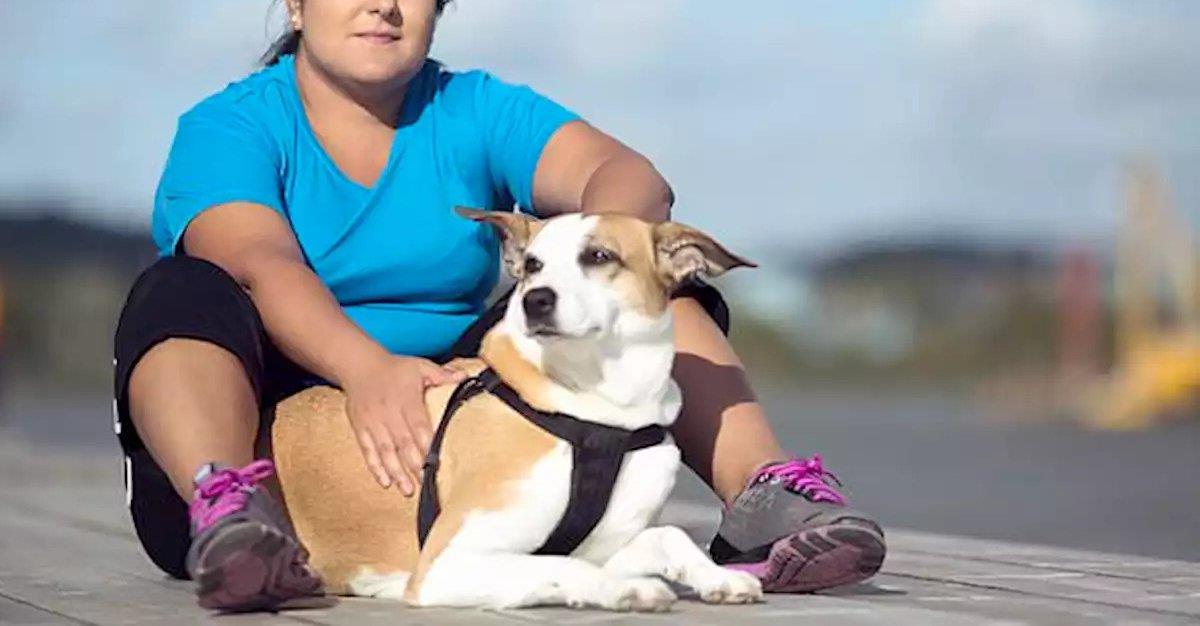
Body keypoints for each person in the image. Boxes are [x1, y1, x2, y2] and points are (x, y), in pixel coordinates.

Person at [112, 0, 885, 610]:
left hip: (450, 415)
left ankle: (767, 497)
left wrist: (601, 251)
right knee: (182, 289)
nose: (383, 5)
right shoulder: (230, 125)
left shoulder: (473, 107)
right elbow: (260, 262)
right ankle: (231, 509)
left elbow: (628, 175)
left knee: (644, 286)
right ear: (295, 4)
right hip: (277, 419)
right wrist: (368, 371)